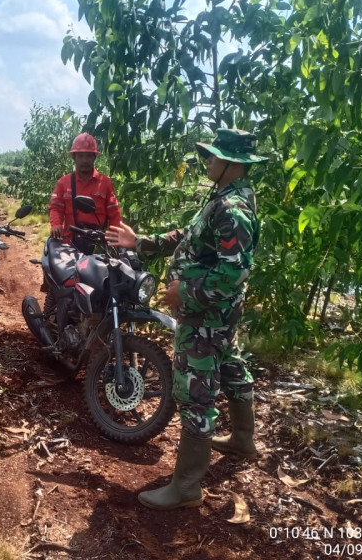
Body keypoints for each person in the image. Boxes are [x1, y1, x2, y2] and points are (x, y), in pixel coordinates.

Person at [105, 128, 266, 510]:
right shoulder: (226, 196)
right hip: (220, 316)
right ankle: (243, 439)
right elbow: (190, 238)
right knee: (231, 367)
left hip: (205, 317)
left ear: (233, 163)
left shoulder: (232, 209)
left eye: (214, 155)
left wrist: (186, 292)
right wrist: (140, 241)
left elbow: (234, 272)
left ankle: (187, 487)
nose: (207, 159)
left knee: (195, 394)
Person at [49, 133, 122, 252]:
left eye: (88, 156)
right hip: (69, 244)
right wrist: (56, 225)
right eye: (81, 156)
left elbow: (114, 213)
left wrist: (116, 238)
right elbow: (56, 207)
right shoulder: (64, 182)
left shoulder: (105, 182)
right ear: (74, 158)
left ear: (94, 157)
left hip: (97, 245)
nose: (85, 160)